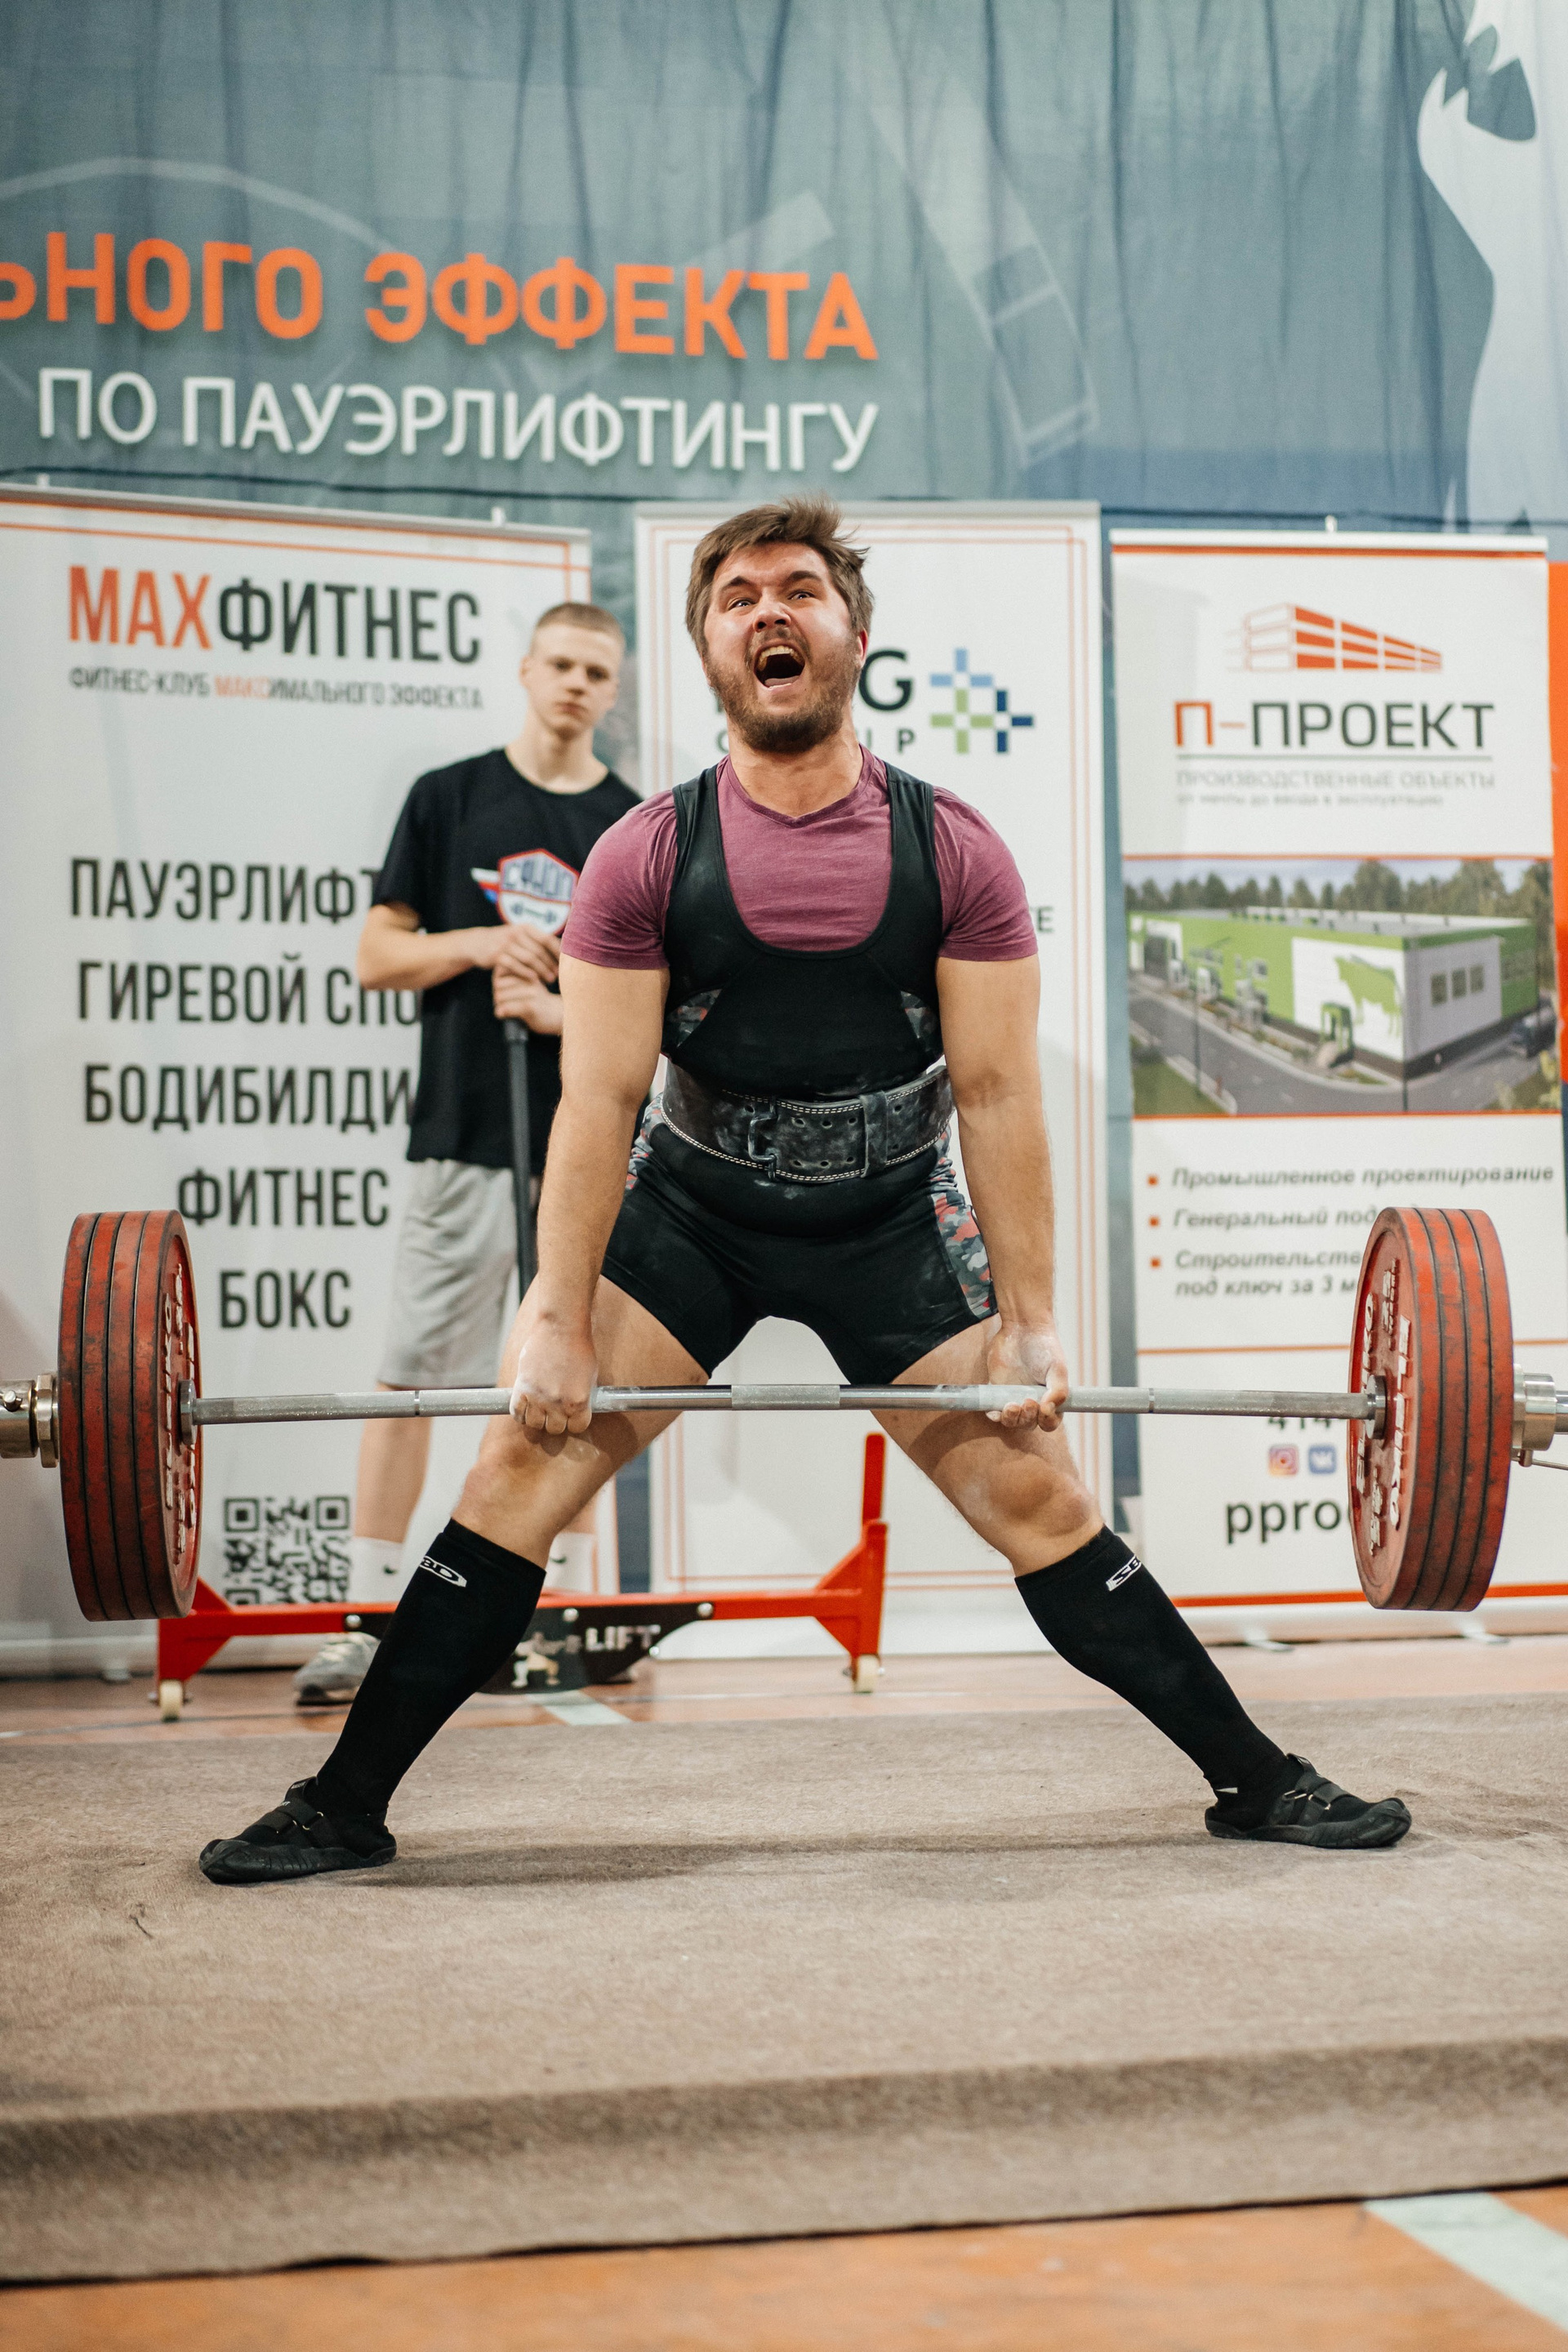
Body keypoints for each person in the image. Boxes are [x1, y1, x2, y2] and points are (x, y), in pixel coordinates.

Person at [202, 497, 1411, 1882]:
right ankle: (343, 1804)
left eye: (799, 590)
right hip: (694, 1217)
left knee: (1041, 1502)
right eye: (737, 598)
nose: (768, 612)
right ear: (711, 652)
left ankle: (1257, 1780)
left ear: (854, 634)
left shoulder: (955, 850)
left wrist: (1029, 1321)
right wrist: (556, 1318)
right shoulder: (644, 854)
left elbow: (999, 1097)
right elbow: (599, 1103)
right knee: (515, 1470)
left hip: (886, 1224)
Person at [292, 601, 636, 1707]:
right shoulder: (448, 797)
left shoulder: (631, 827)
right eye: (561, 664)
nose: (576, 684)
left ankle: (550, 1618)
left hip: (585, 1148)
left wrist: (559, 1010)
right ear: (526, 670)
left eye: (597, 672)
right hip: (463, 1136)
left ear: (613, 690)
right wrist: (485, 942)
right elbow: (376, 956)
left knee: (571, 1384)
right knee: (413, 1373)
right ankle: (366, 1617)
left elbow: (657, 1009)